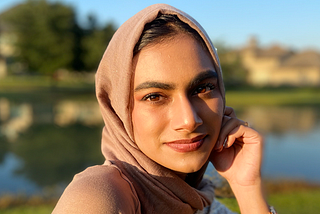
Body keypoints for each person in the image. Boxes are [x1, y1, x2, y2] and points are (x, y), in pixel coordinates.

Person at [52, 4, 276, 214]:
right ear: (117, 110)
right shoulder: (100, 191)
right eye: (154, 96)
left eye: (203, 88)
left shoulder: (200, 200)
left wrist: (247, 187)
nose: (189, 120)